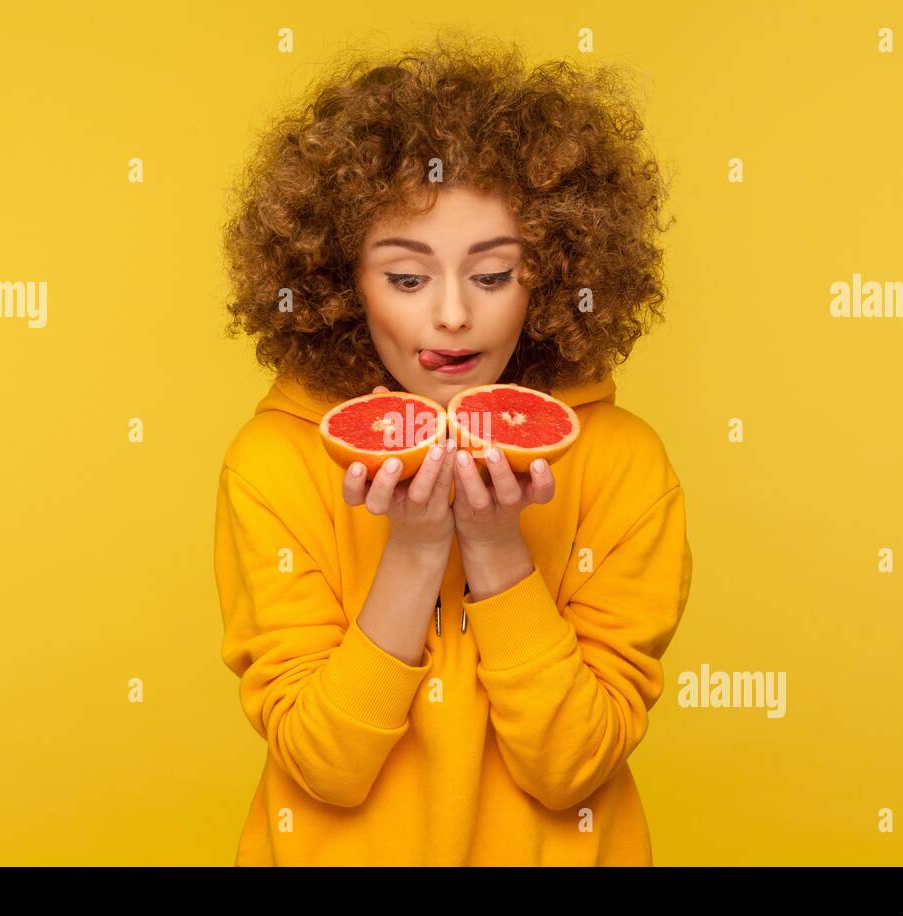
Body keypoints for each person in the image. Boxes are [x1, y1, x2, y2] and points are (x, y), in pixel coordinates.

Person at [214, 34, 692, 865]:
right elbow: (326, 769)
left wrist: (499, 548)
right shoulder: (270, 463)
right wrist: (415, 551)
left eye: (493, 275)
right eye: (405, 279)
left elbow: (571, 768)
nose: (451, 316)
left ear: (553, 274)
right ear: (338, 281)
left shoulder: (624, 463)